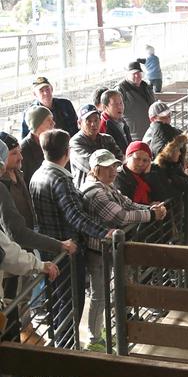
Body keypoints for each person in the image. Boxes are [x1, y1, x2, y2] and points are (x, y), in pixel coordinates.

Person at [30, 129, 111, 344]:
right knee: (71, 302)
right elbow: (75, 216)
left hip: (49, 250)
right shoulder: (61, 179)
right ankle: (67, 349)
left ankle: (60, 345)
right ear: (67, 152)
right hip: (67, 251)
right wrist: (105, 232)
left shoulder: (37, 174)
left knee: (57, 300)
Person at [80, 149, 166, 350]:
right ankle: (94, 339)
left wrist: (149, 209)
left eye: (114, 166)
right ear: (95, 169)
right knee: (99, 294)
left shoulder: (107, 187)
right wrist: (152, 215)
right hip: (98, 251)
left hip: (108, 248)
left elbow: (128, 204)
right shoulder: (95, 192)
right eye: (107, 167)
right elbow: (120, 216)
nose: (113, 171)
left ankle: (110, 328)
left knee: (111, 289)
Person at [0, 137, 67, 343]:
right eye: (13, 153)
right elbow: (11, 241)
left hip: (20, 257)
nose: (20, 157)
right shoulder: (2, 188)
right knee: (12, 314)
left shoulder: (18, 178)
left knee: (16, 309)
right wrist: (47, 256)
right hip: (14, 264)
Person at [117, 140, 188, 204]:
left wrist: (149, 175)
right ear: (128, 157)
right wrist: (148, 208)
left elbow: (164, 195)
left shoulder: (154, 171)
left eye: (145, 160)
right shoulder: (119, 176)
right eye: (137, 159)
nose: (140, 164)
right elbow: (126, 203)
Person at [69, 105, 122, 190]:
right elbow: (93, 166)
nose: (93, 124)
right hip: (88, 190)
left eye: (96, 120)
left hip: (111, 187)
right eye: (88, 121)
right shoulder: (75, 142)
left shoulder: (107, 139)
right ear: (79, 123)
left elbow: (120, 161)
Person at [116, 61, 156, 141]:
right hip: (133, 135)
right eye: (133, 73)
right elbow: (116, 111)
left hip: (150, 131)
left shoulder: (146, 86)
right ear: (127, 74)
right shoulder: (121, 89)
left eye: (139, 72)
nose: (137, 75)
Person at [20, 106, 55, 188]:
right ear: (37, 124)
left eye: (52, 119)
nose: (53, 123)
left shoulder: (53, 141)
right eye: (48, 120)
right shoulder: (23, 150)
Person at [99, 90, 132, 156]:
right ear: (105, 107)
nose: (120, 107)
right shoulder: (103, 125)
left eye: (121, 103)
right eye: (115, 104)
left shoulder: (121, 120)